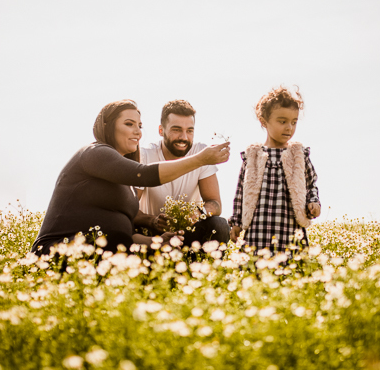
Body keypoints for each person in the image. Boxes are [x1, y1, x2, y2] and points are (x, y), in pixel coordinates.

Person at [31, 99, 230, 256]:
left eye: (140, 126)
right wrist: (200, 160)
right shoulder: (95, 153)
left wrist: (159, 242)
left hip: (104, 247)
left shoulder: (122, 178)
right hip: (59, 249)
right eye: (129, 124)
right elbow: (145, 175)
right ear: (108, 126)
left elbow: (125, 235)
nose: (138, 132)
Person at [229, 86, 321, 252]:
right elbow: (241, 191)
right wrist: (236, 222)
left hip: (290, 230)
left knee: (291, 273)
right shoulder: (253, 156)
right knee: (256, 272)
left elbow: (310, 184)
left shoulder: (299, 155)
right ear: (264, 122)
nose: (289, 128)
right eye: (282, 121)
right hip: (258, 232)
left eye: (294, 122)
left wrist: (313, 202)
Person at [135, 100, 230, 246]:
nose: (184, 137)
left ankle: (203, 268)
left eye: (189, 130)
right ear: (161, 130)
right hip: (152, 233)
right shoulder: (145, 155)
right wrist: (152, 221)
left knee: (219, 224)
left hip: (189, 233)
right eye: (176, 129)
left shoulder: (201, 152)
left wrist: (198, 213)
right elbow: (130, 208)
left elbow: (215, 204)